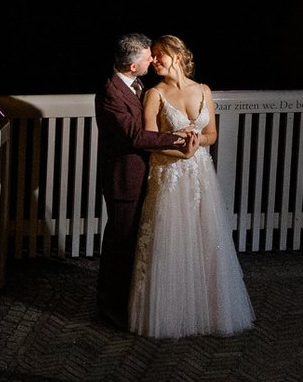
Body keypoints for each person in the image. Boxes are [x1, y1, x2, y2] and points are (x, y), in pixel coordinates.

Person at [128, 34, 256, 338]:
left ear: (177, 56)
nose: (155, 61)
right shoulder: (154, 94)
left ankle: (209, 311)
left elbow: (210, 133)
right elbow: (149, 141)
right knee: (171, 240)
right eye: (153, 56)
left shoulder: (203, 91)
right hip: (169, 173)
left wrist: (196, 144)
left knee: (204, 239)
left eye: (160, 55)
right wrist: (182, 150)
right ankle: (170, 316)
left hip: (199, 175)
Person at [95, 33, 194, 328]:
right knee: (120, 246)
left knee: (133, 245)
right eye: (147, 56)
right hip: (124, 180)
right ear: (133, 66)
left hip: (142, 176)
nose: (152, 59)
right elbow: (135, 136)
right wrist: (176, 139)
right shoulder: (111, 93)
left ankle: (129, 303)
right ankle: (111, 310)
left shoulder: (136, 85)